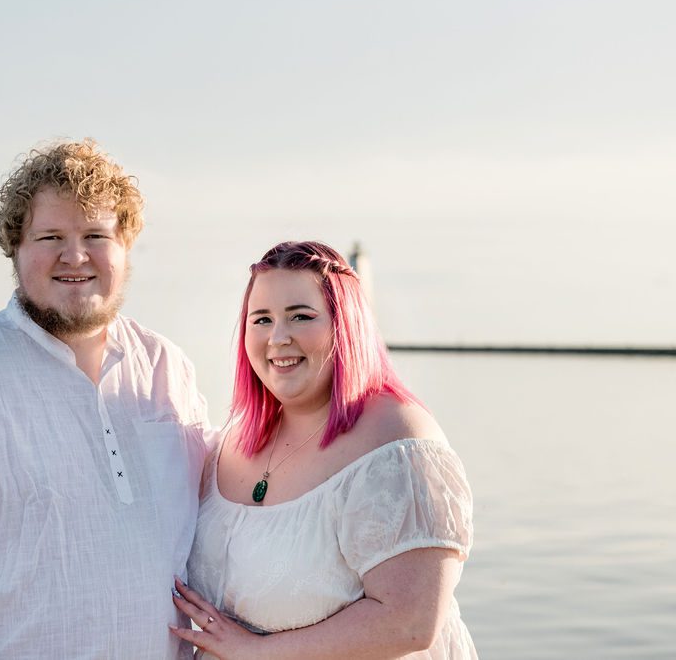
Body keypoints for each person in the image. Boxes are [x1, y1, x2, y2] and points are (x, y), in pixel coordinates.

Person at [0, 139, 209, 659]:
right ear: (16, 248)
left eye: (95, 235)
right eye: (50, 235)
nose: (74, 256)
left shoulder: (167, 369)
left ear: (126, 247)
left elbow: (208, 531)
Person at [173, 241, 476, 659]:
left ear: (344, 325)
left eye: (301, 316)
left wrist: (257, 653)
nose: (278, 338)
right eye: (261, 319)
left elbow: (410, 622)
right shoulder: (229, 441)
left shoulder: (395, 440)